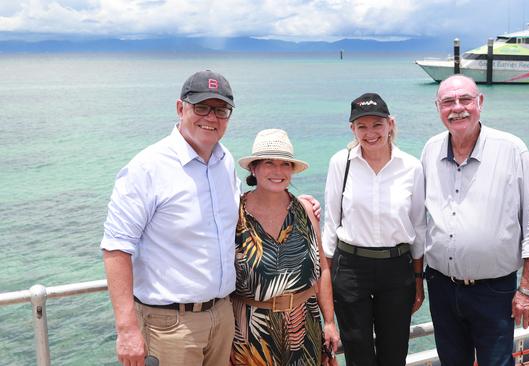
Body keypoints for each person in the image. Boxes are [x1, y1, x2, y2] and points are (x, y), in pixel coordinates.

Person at [100, 70, 320, 366]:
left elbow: (247, 207)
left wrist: (296, 201)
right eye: (201, 107)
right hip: (170, 325)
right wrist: (126, 329)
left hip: (224, 318)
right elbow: (116, 247)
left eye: (221, 110)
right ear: (181, 108)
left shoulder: (224, 161)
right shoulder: (146, 168)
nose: (211, 117)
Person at [420, 74, 529, 366]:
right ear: (438, 108)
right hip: (441, 286)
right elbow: (420, 218)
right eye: (448, 102)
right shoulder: (430, 150)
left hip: (494, 290)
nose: (458, 108)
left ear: (480, 103)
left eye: (465, 99)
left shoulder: (512, 149)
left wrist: (527, 290)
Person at [322, 93, 427, 366]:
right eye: (362, 126)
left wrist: (418, 279)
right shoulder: (340, 163)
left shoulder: (412, 167)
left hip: (397, 269)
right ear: (352, 129)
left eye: (377, 125)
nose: (370, 133)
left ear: (390, 124)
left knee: (394, 353)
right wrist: (327, 280)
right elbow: (331, 225)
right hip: (351, 268)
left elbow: (418, 226)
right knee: (358, 355)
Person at [230, 129, 339, 366]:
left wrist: (329, 322)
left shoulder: (306, 211)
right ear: (254, 168)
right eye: (269, 163)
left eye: (285, 164)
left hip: (304, 326)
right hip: (250, 334)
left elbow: (323, 270)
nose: (278, 171)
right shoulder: (234, 214)